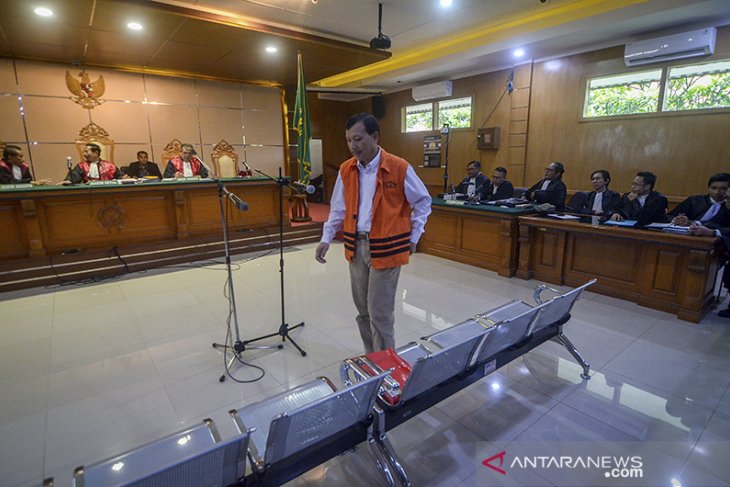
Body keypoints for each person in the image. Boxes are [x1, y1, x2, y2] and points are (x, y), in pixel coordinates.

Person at [315, 113, 432, 353]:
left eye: (358, 139)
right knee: (363, 311)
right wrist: (326, 238)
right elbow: (338, 207)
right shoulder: (346, 170)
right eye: (348, 140)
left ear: (375, 137)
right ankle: (373, 360)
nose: (352, 146)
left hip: (386, 248)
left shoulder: (398, 167)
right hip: (356, 248)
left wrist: (414, 237)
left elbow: (423, 201)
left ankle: (387, 367)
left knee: (379, 312)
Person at [689, 192, 730, 317]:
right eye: (727, 197)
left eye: (729, 198)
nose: (726, 200)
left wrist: (713, 232)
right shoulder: (726, 210)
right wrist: (697, 224)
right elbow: (714, 222)